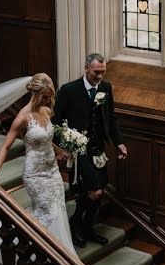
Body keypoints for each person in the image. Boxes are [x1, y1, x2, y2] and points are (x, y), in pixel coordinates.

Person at [0, 73, 78, 257]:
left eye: (50, 96)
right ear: (35, 93)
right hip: (35, 174)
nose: (48, 100)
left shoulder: (46, 111)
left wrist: (60, 152)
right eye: (45, 96)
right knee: (46, 210)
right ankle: (39, 254)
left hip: (53, 171)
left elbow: (47, 140)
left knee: (58, 209)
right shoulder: (23, 118)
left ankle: (61, 255)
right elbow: (6, 146)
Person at [53, 53, 128, 247]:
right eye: (96, 72)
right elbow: (55, 123)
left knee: (99, 189)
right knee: (92, 191)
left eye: (103, 72)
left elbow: (110, 118)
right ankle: (77, 224)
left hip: (97, 148)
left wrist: (119, 142)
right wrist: (63, 148)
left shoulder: (105, 88)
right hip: (77, 151)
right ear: (86, 68)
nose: (100, 77)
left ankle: (85, 226)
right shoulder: (69, 90)